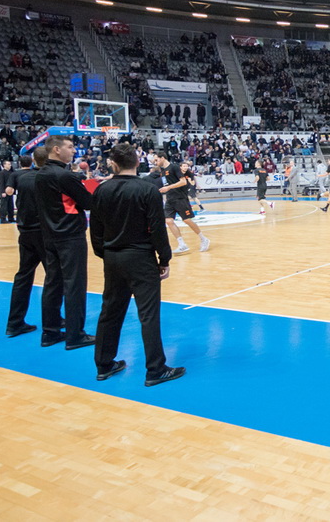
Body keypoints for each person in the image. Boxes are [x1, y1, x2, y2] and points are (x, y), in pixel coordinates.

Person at [91, 143, 185, 387]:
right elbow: (157, 230)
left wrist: (105, 253)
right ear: (137, 162)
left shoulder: (101, 190)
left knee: (109, 312)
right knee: (148, 315)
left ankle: (104, 365)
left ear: (113, 164)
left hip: (112, 257)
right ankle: (155, 369)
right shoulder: (147, 189)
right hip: (141, 258)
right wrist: (164, 259)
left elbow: (95, 230)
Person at [34, 135, 96, 349]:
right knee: (75, 285)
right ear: (57, 150)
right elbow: (88, 202)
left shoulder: (40, 174)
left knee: (53, 283)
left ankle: (49, 333)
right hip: (70, 236)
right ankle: (75, 335)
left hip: (49, 235)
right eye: (70, 147)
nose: (74, 151)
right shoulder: (65, 176)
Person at [4, 150, 59, 337]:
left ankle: (14, 323)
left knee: (23, 277)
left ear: (34, 160)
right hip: (43, 232)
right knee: (54, 277)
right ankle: (53, 322)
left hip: (25, 231)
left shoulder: (22, 178)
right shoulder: (47, 179)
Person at [155, 152, 210, 254]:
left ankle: (204, 239)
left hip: (180, 198)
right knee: (168, 221)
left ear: (162, 158)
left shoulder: (174, 167)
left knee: (187, 220)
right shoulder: (162, 171)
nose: (155, 162)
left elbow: (183, 182)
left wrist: (168, 187)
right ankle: (182, 244)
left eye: (156, 160)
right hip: (170, 199)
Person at [0, 159, 15, 223]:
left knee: (11, 205)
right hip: (4, 191)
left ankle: (11, 218)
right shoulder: (2, 173)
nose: (10, 165)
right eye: (8, 164)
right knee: (4, 206)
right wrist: (3, 192)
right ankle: (3, 219)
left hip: (10, 191)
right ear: (4, 165)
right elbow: (1, 183)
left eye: (10, 164)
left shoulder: (11, 172)